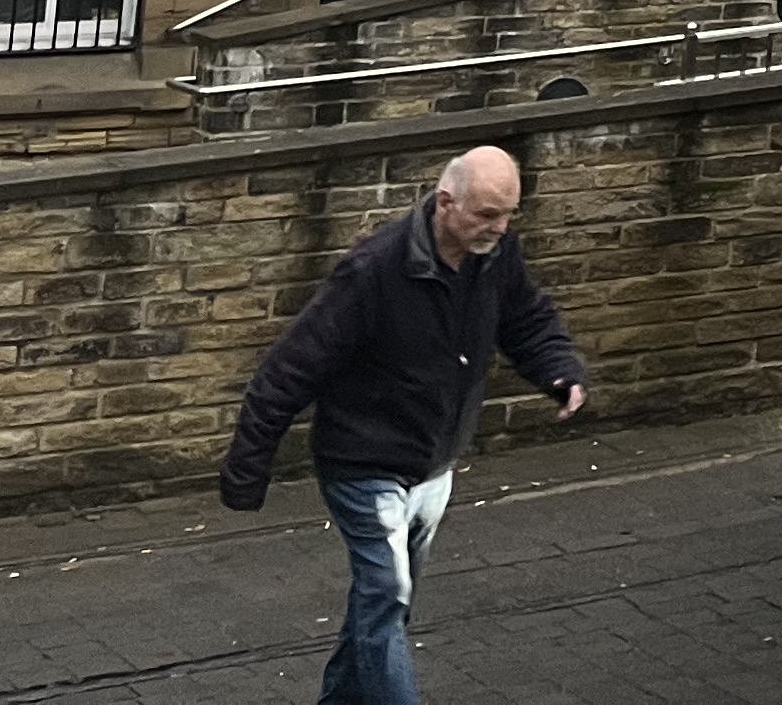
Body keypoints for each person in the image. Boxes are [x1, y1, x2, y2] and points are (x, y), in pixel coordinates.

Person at [219, 144, 589, 705]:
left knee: (382, 606)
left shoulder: (496, 253)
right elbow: (287, 372)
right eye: (487, 214)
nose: (501, 227)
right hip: (363, 466)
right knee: (386, 599)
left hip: (433, 462)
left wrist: (560, 371)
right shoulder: (373, 272)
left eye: (509, 213)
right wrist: (246, 476)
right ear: (445, 202)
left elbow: (525, 316)